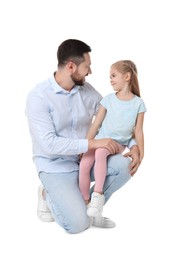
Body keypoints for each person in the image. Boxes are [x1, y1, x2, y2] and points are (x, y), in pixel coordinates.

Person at [25, 39, 140, 234]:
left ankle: (93, 206)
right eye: (87, 66)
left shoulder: (87, 92)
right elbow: (49, 144)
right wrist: (92, 143)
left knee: (126, 164)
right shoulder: (38, 97)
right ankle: (47, 194)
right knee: (78, 225)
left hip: (85, 161)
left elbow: (116, 120)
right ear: (71, 66)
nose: (90, 72)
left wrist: (134, 145)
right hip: (55, 167)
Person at [79, 60, 146, 218]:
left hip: (117, 143)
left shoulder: (138, 104)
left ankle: (97, 194)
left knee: (101, 153)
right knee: (84, 164)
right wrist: (86, 145)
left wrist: (141, 154)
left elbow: (138, 131)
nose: (111, 80)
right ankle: (86, 201)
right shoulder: (108, 99)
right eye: (110, 77)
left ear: (127, 76)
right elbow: (95, 125)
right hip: (99, 140)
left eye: (114, 76)